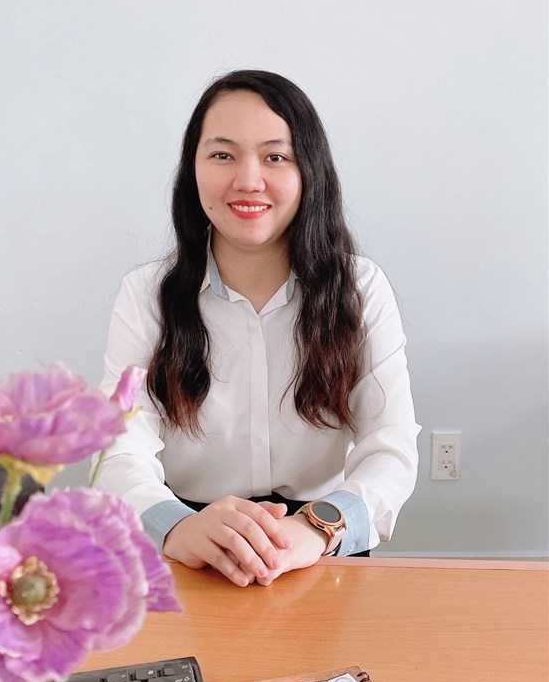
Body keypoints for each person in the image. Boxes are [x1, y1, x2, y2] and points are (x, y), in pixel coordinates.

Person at [94, 70, 420, 587]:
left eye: (275, 157)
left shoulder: (359, 288)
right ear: (192, 169)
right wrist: (176, 526)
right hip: (190, 548)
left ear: (309, 170)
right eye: (223, 154)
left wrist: (315, 529)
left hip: (320, 542)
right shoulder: (147, 294)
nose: (248, 180)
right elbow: (118, 446)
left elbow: (391, 446)